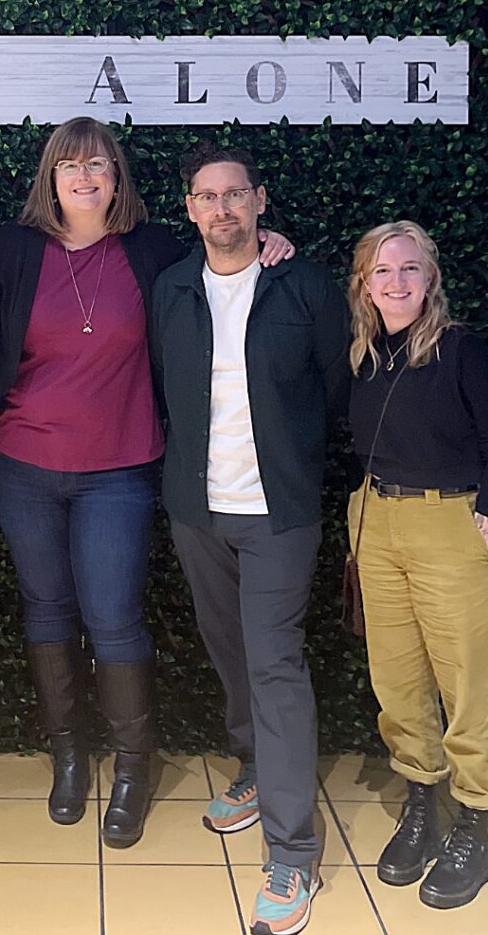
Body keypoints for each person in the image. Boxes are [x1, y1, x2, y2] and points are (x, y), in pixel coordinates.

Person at [0, 117, 294, 849]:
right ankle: (67, 755)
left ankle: (132, 767)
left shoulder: (152, 253)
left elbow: (226, 270)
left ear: (119, 179)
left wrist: (269, 244)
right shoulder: (11, 252)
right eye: (70, 166)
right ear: (50, 179)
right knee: (47, 608)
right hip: (23, 464)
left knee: (113, 614)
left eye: (99, 165)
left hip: (119, 467)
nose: (85, 178)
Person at [151, 144, 348, 935]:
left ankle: (293, 854)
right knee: (228, 649)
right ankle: (257, 770)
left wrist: (298, 458)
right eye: (207, 197)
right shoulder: (170, 287)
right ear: (191, 208)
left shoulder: (302, 283)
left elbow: (336, 387)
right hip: (197, 509)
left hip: (280, 511)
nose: (222, 209)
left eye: (236, 195)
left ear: (260, 201)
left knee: (274, 663)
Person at [346, 220, 488, 909]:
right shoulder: (363, 355)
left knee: (466, 678)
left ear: (430, 277)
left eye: (409, 269)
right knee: (398, 677)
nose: (396, 282)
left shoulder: (460, 351)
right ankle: (422, 799)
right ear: (364, 283)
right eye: (382, 271)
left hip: (451, 521)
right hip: (376, 520)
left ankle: (476, 818)